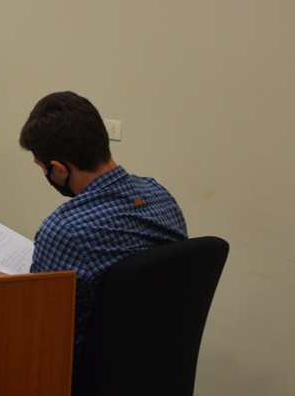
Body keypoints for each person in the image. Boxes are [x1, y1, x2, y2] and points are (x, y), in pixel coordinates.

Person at [19, 91, 187, 364]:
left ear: (59, 169)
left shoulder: (66, 230)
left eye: (43, 168)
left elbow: (43, 335)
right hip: (160, 366)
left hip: (76, 378)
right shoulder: (161, 197)